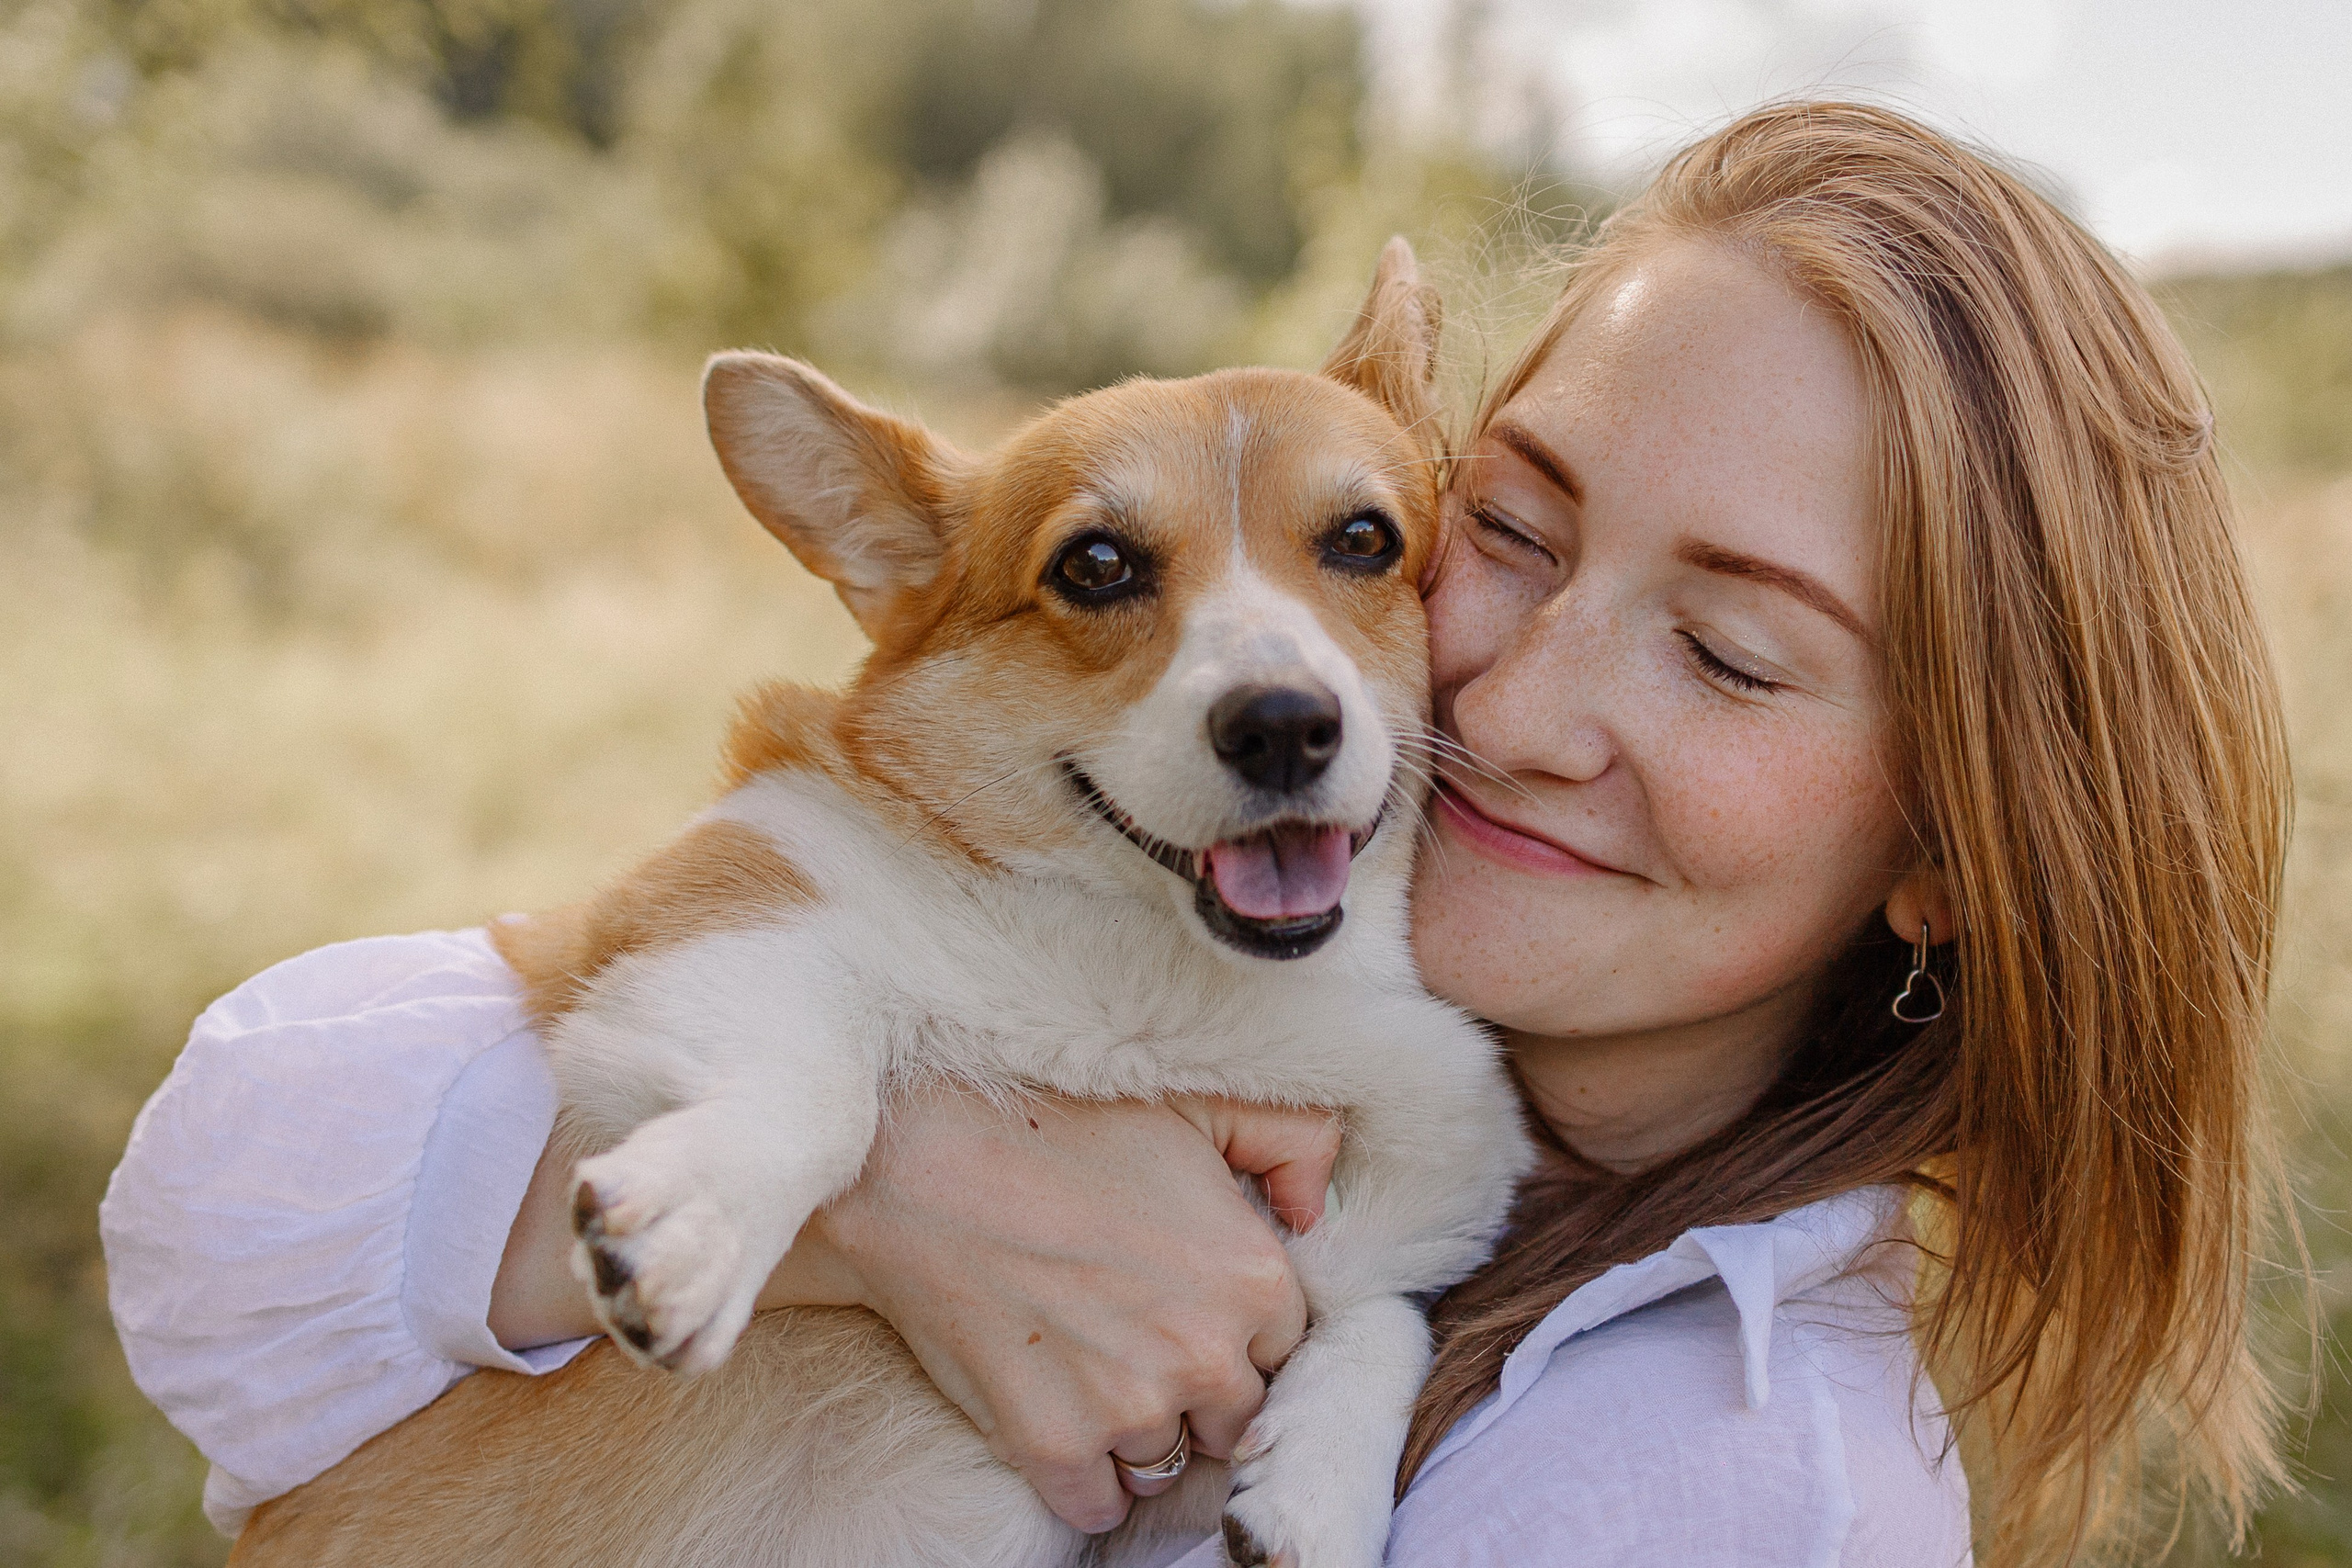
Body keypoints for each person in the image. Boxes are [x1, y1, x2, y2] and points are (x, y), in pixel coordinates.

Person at [102, 101, 2292, 1566]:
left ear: (1958, 845)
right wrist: (882, 1188)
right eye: (1502, 533)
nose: (1506, 704)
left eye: (1727, 655)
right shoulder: (1206, 992)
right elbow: (211, 1208)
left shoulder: (1704, 1467)